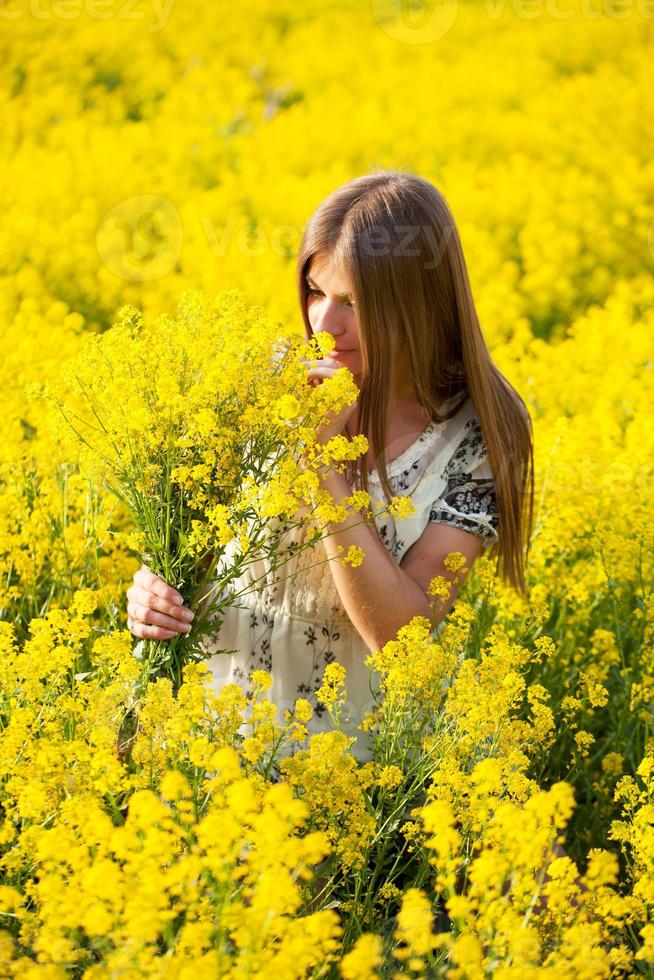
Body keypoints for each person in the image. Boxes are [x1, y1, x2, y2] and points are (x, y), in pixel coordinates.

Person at [126, 169, 534, 766]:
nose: (323, 324)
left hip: (361, 770)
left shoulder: (476, 432)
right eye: (316, 292)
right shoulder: (263, 383)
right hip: (211, 739)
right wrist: (152, 594)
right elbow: (193, 543)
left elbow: (404, 638)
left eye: (355, 303)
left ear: (419, 307)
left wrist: (322, 465)